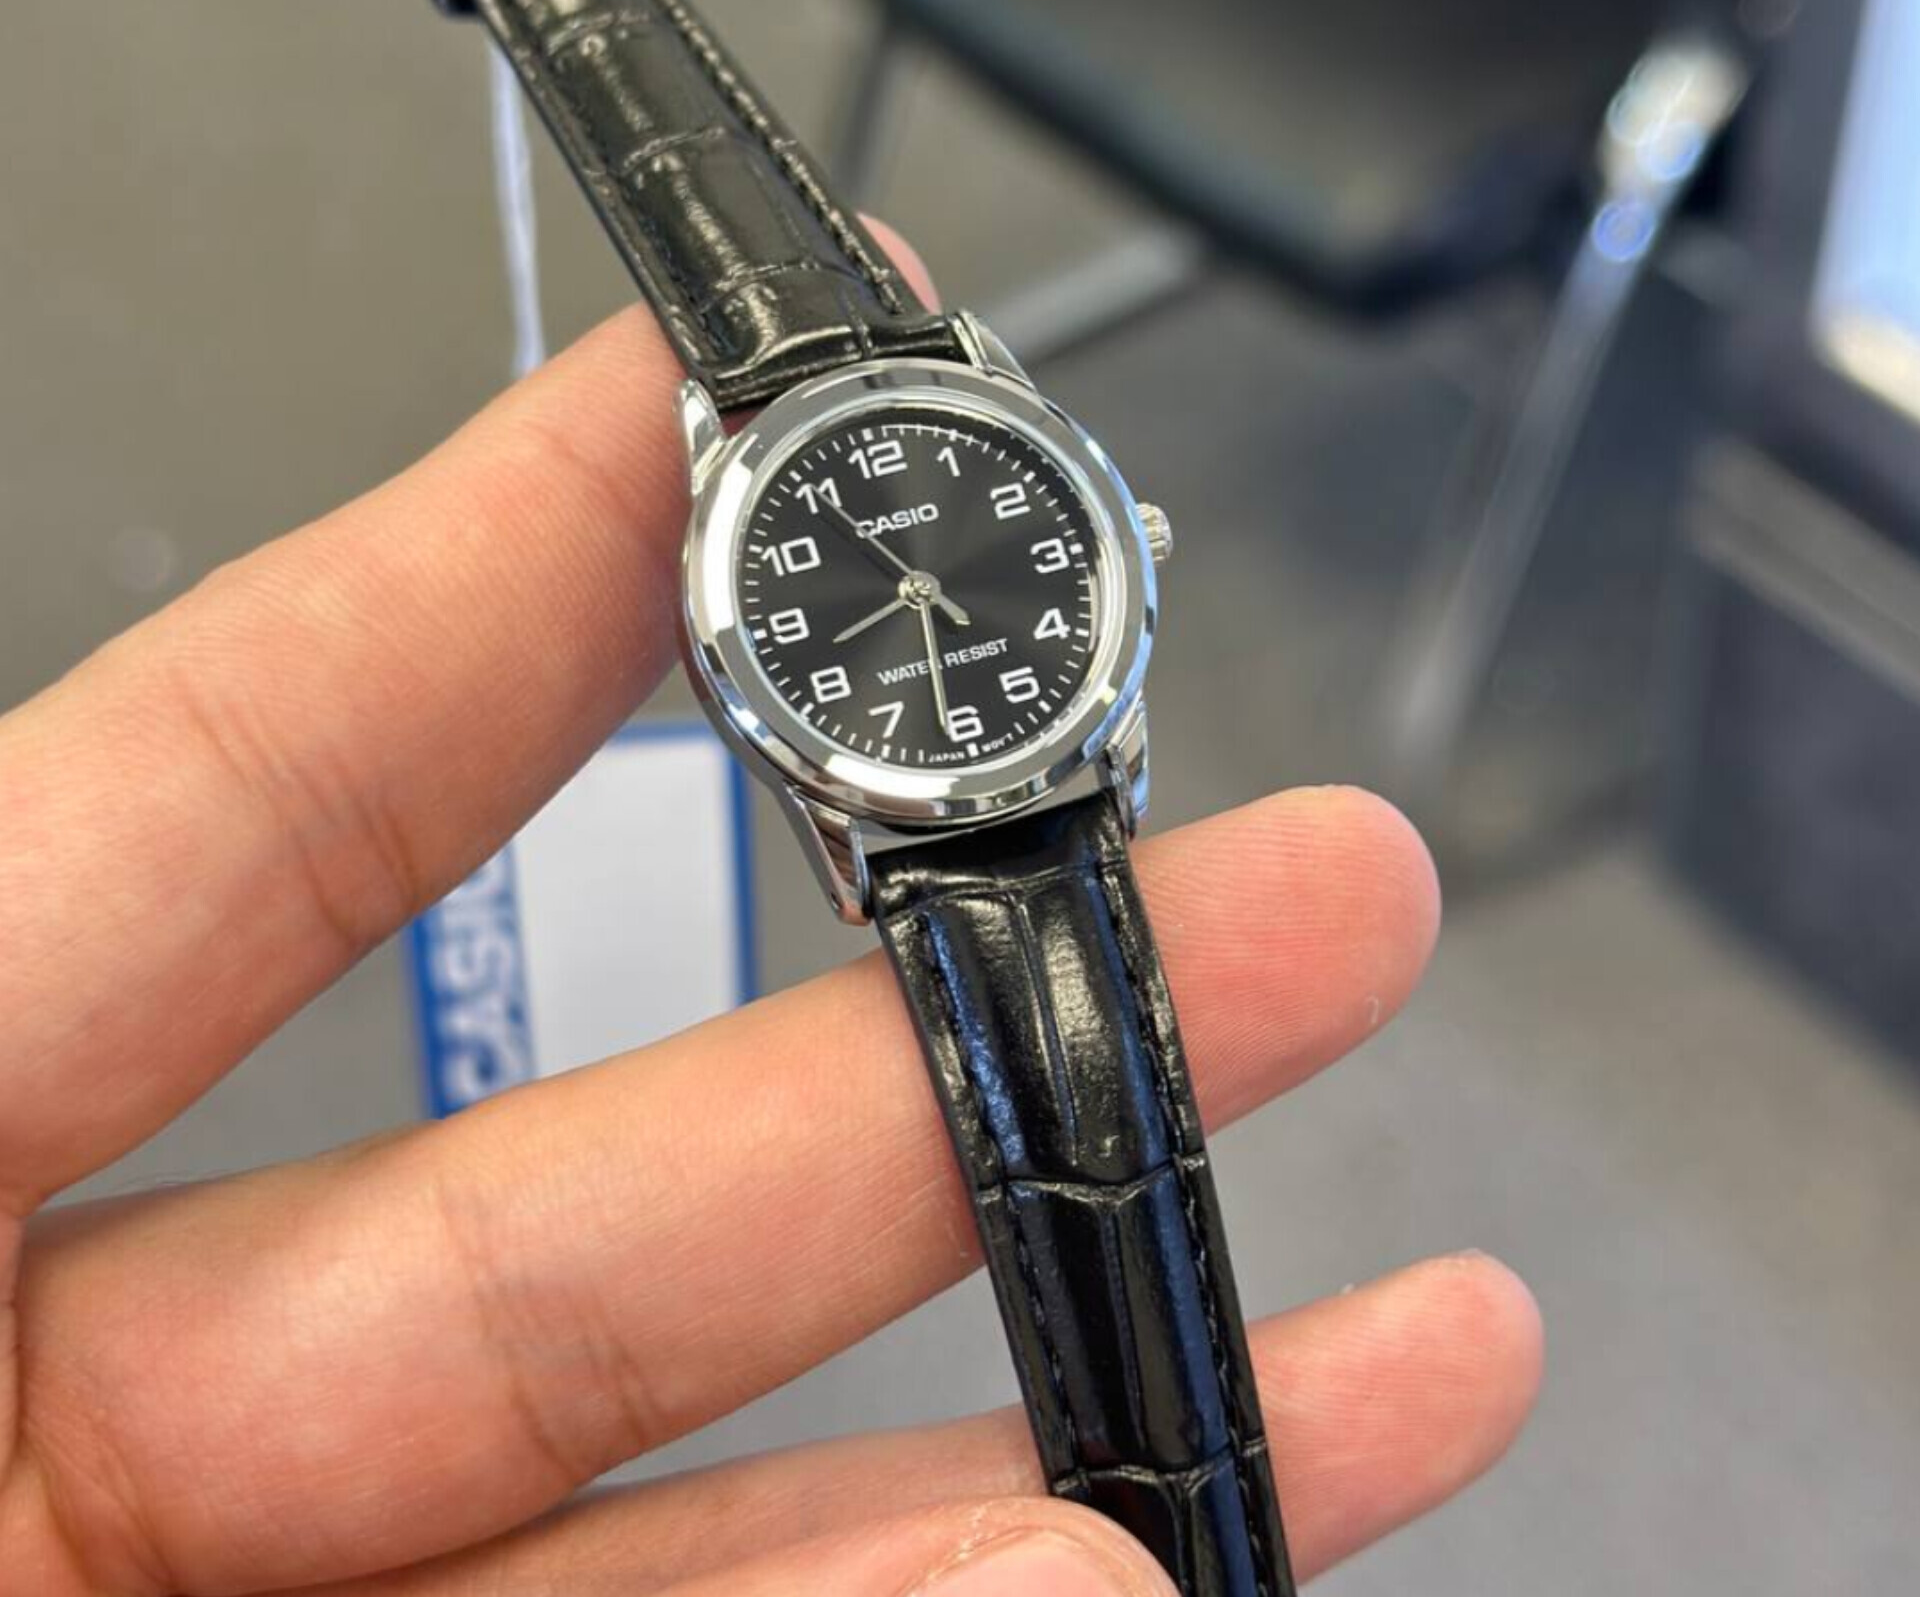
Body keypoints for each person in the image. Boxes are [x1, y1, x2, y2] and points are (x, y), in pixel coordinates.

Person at [0, 239, 1542, 1596]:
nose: (929, 594)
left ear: (1112, 542)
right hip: (927, 802)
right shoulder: (768, 553)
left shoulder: (978, 479)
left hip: (1047, 761)